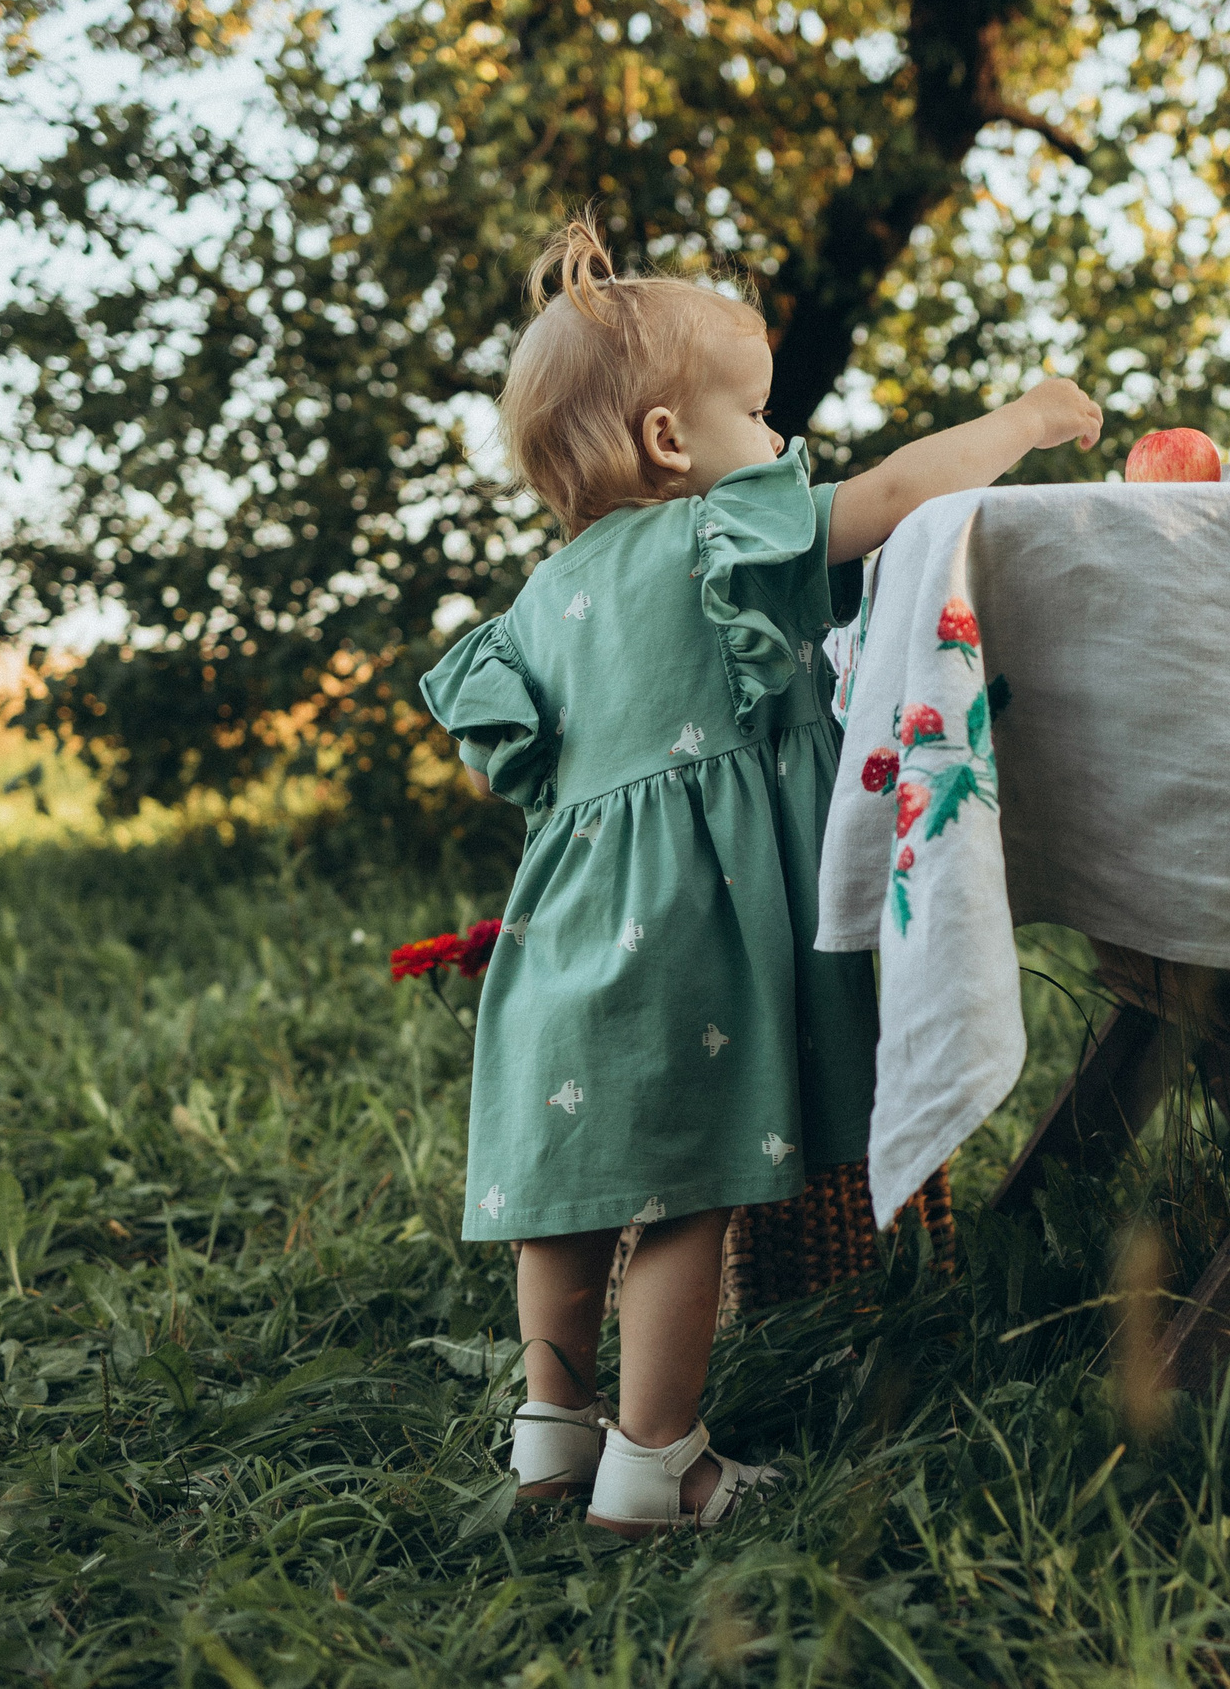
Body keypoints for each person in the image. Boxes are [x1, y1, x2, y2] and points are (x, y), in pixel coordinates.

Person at [420, 219, 1101, 1533]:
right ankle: (657, 1461)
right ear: (671, 442)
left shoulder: (536, 606)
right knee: (687, 1200)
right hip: (690, 937)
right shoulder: (718, 538)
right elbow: (896, 498)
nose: (779, 442)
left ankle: (550, 1441)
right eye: (756, 414)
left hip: (561, 939)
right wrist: (1024, 419)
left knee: (568, 1207)